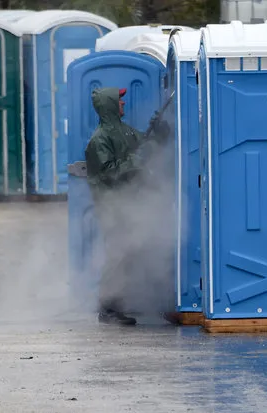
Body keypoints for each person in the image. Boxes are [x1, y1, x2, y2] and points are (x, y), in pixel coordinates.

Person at [84, 87, 171, 326]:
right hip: (112, 206)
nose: (123, 104)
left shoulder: (125, 131)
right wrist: (137, 159)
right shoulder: (99, 139)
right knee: (118, 255)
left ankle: (116, 304)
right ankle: (108, 308)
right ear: (110, 105)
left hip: (129, 202)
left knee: (127, 255)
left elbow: (146, 146)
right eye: (119, 101)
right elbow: (109, 173)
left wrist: (159, 133)